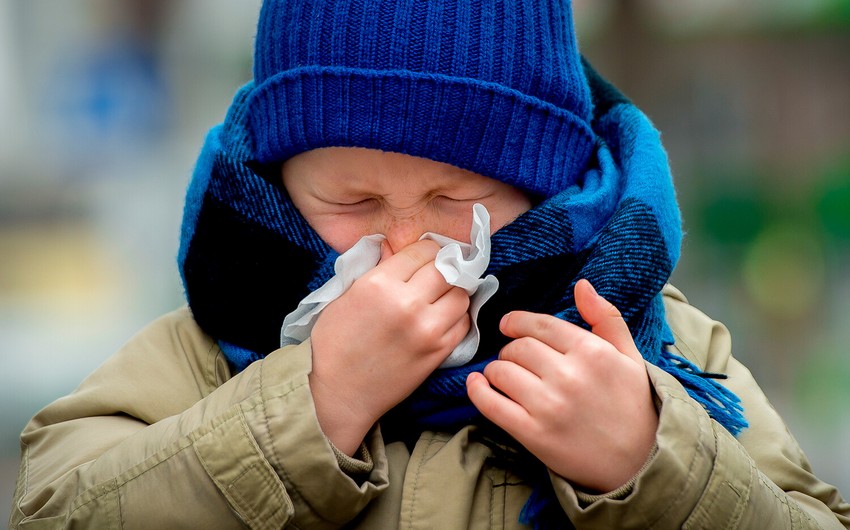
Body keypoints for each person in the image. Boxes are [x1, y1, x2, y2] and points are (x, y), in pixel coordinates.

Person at [9, 0, 850, 528]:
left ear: (546, 184)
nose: (410, 248)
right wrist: (310, 404)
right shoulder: (208, 345)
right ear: (276, 183)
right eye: (354, 204)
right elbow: (55, 510)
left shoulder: (647, 342)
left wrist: (650, 460)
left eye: (458, 201)